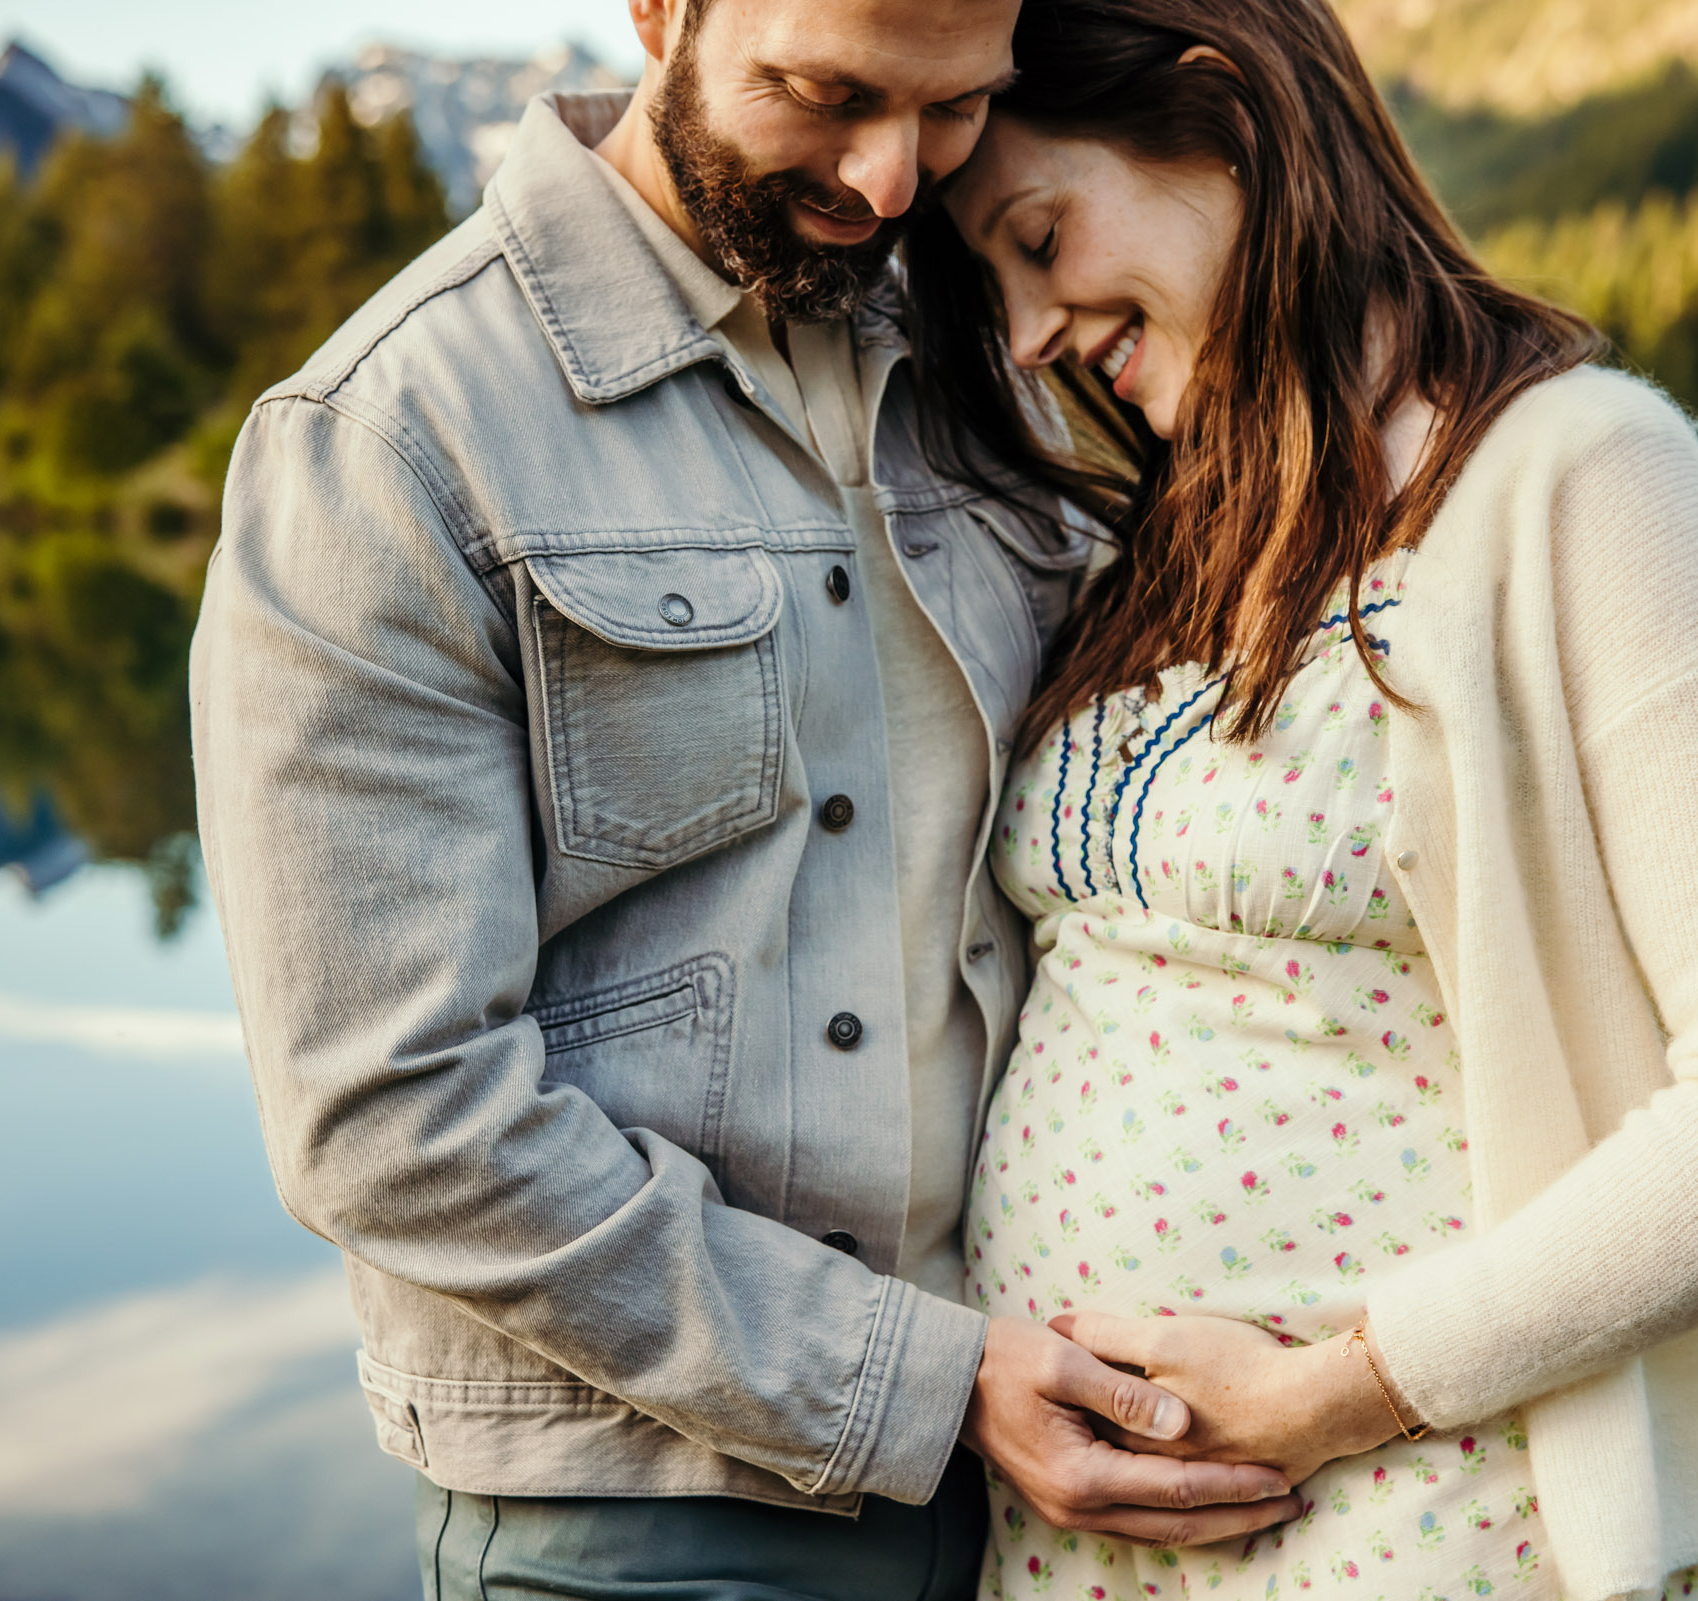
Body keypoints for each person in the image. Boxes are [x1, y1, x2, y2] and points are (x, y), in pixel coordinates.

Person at [190, 1, 1307, 1597]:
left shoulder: (1008, 352)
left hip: (1043, 1505)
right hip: (640, 1529)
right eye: (827, 93)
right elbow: (389, 1114)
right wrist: (921, 1382)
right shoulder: (387, 438)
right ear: (659, 11)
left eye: (952, 110)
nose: (889, 179)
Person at [904, 1, 1698, 1597]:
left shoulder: (1577, 475)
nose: (1030, 328)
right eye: (995, 282)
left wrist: (1337, 1389)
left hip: (1421, 1520)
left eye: (1040, 236)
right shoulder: (1171, 534)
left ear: (1224, 109)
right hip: (1081, 1545)